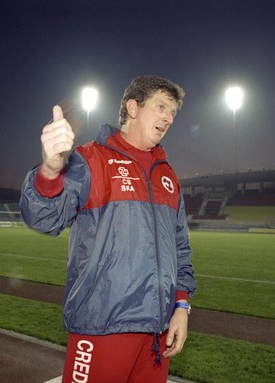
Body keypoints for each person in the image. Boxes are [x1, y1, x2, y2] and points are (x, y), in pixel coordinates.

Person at [20, 75, 197, 383]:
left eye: (173, 112)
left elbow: (180, 248)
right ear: (133, 107)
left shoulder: (168, 176)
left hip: (157, 332)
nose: (168, 118)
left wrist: (181, 305)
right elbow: (44, 218)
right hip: (102, 325)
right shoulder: (90, 160)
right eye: (161, 107)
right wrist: (50, 169)